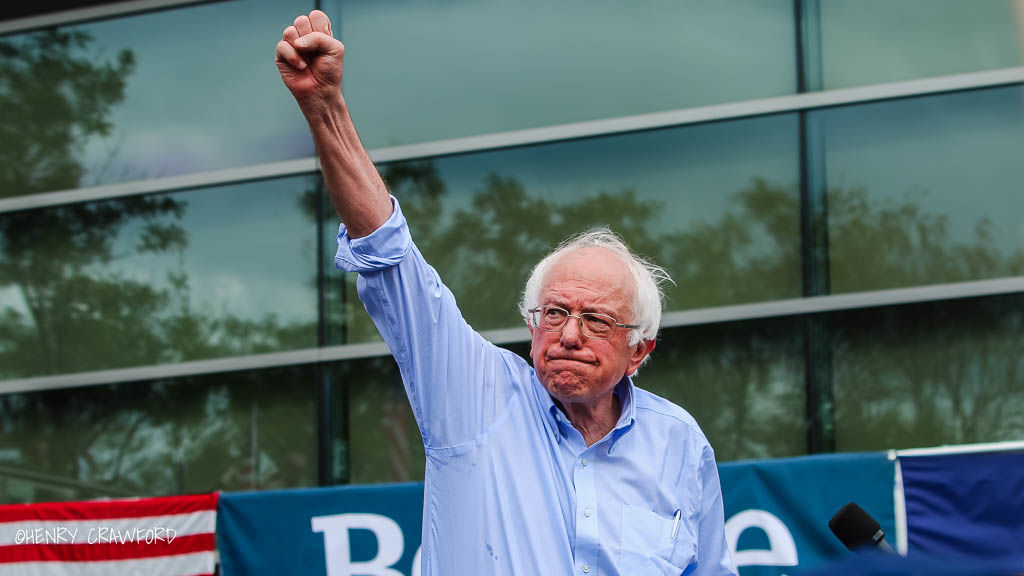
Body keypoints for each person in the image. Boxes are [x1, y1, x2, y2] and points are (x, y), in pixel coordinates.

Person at [276, 10, 737, 575]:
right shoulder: (474, 396)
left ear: (639, 350)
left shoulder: (678, 443)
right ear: (532, 324)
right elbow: (392, 260)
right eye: (555, 313)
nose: (569, 335)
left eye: (596, 320)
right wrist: (325, 107)